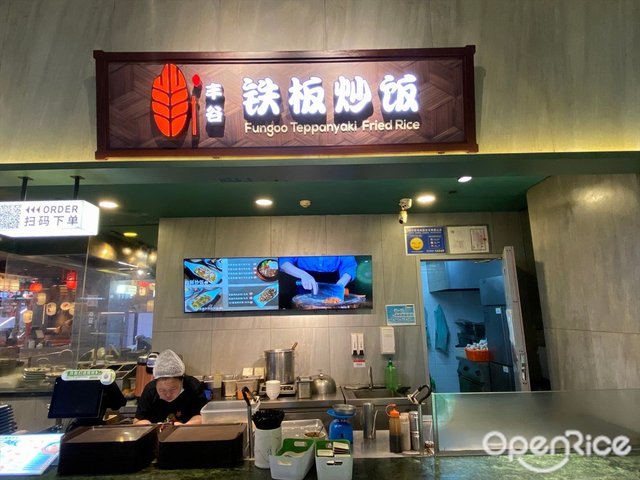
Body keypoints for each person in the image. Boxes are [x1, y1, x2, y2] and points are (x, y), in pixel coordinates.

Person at [134, 349, 208, 425]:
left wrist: (184, 427)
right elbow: (137, 421)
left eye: (173, 389)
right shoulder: (150, 390)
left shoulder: (192, 386)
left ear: (182, 380)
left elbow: (202, 417)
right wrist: (150, 426)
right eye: (162, 390)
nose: (168, 395)